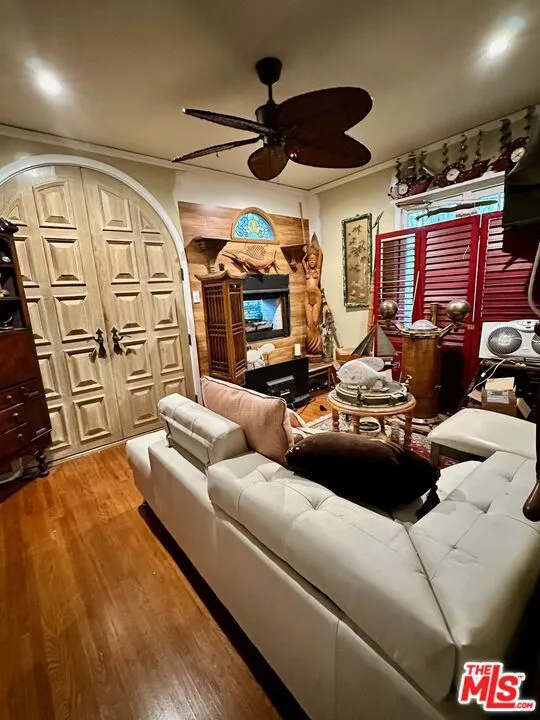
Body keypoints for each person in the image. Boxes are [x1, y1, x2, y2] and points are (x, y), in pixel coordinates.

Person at [302, 235, 323, 355]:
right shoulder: (307, 271)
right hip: (307, 296)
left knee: (315, 321)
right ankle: (311, 346)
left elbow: (320, 255)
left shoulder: (317, 271)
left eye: (314, 260)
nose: (312, 262)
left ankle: (317, 344)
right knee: (309, 323)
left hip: (316, 295)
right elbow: (302, 261)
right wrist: (307, 254)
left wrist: (316, 248)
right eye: (310, 260)